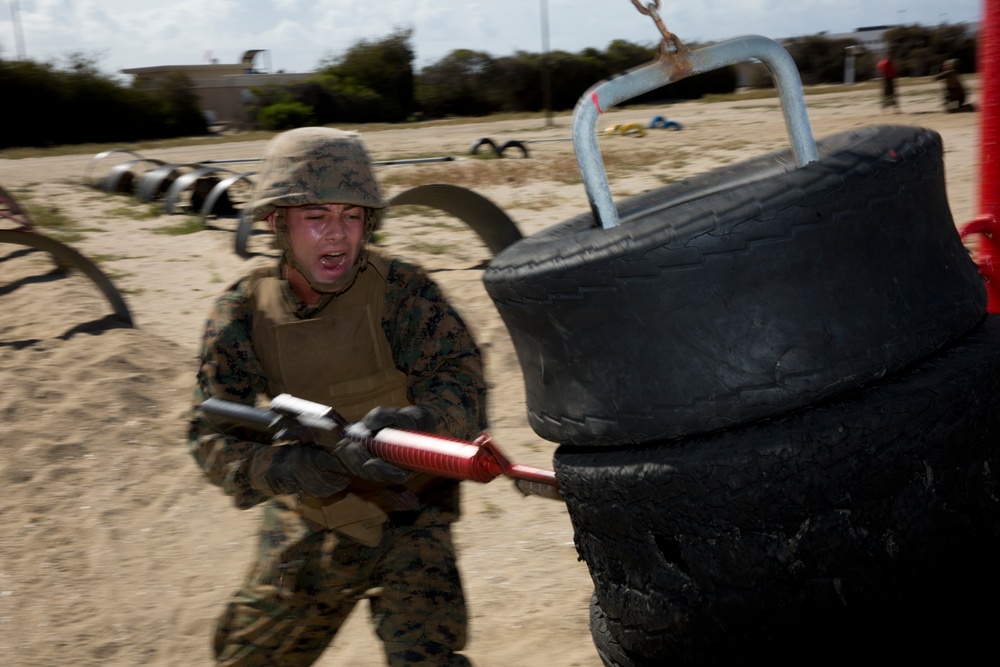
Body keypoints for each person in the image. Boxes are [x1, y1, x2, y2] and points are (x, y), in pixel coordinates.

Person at [187, 127, 488, 667]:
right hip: (309, 520)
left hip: (412, 518)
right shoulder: (242, 313)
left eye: (352, 217)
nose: (337, 236)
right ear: (278, 222)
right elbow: (209, 436)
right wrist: (281, 470)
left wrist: (420, 423)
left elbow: (462, 383)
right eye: (316, 216)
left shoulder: (404, 292)